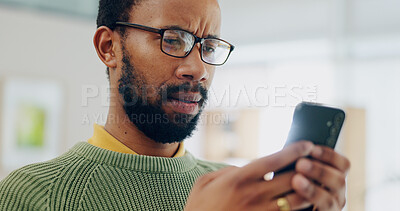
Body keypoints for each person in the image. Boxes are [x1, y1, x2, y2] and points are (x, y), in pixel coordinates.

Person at [0, 0, 350, 210]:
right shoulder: (33, 196)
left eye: (208, 46)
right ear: (109, 47)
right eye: (173, 39)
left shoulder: (231, 188)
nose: (197, 69)